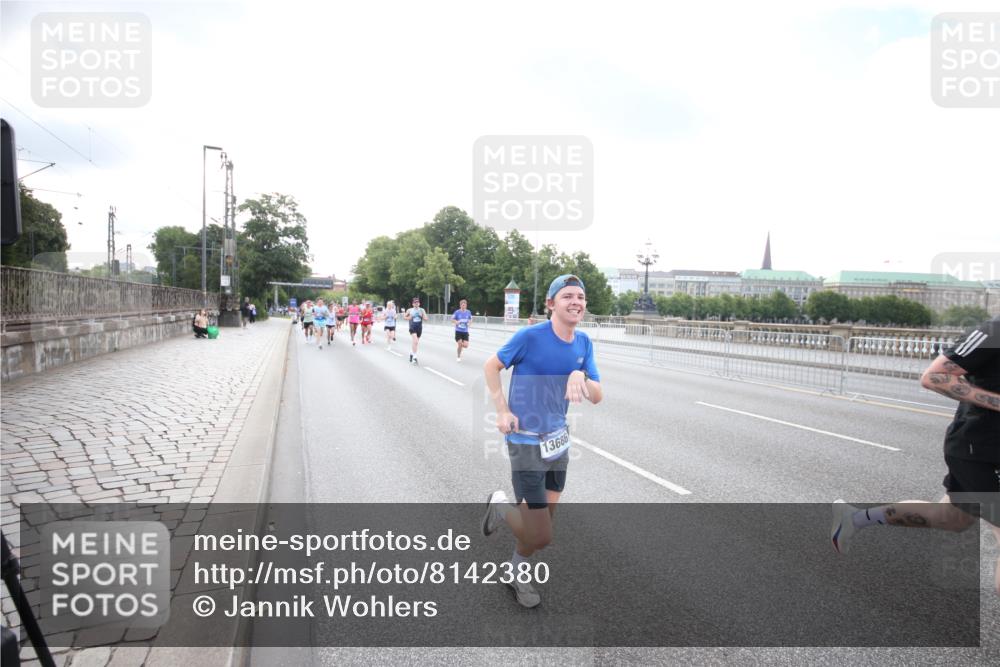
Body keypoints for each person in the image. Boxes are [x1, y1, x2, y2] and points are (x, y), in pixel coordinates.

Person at [831, 317, 1000, 594]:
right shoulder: (993, 332)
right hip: (981, 449)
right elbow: (934, 376)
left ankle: (855, 519)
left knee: (952, 517)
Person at [481, 275, 603, 608]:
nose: (576, 301)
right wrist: (502, 410)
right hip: (525, 442)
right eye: (567, 296)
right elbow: (491, 367)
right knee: (542, 535)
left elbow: (598, 395)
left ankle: (514, 572)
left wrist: (581, 376)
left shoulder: (584, 344)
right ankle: (502, 508)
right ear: (551, 303)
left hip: (559, 442)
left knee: (541, 525)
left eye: (580, 296)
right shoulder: (530, 337)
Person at [404, 297, 427, 365]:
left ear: (419, 303)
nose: (416, 304)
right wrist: (409, 317)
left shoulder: (422, 310)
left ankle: (411, 353)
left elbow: (426, 318)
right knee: (415, 341)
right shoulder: (409, 310)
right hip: (412, 327)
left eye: (417, 303)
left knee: (415, 343)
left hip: (419, 327)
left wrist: (421, 316)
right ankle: (414, 357)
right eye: (415, 303)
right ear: (413, 304)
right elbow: (404, 317)